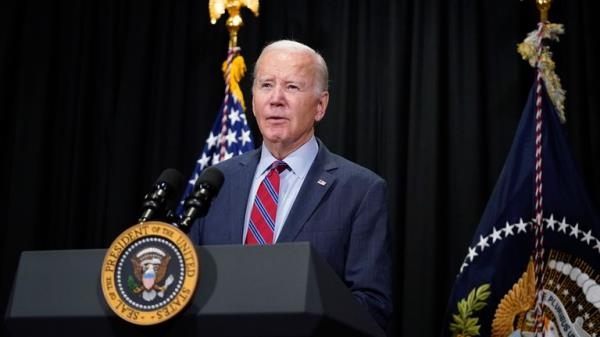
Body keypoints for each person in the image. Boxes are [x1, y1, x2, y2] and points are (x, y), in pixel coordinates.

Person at [189, 40, 392, 329]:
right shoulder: (216, 181)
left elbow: (372, 307)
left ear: (320, 106)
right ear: (254, 98)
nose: (276, 99)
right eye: (266, 85)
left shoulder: (360, 191)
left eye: (292, 87)